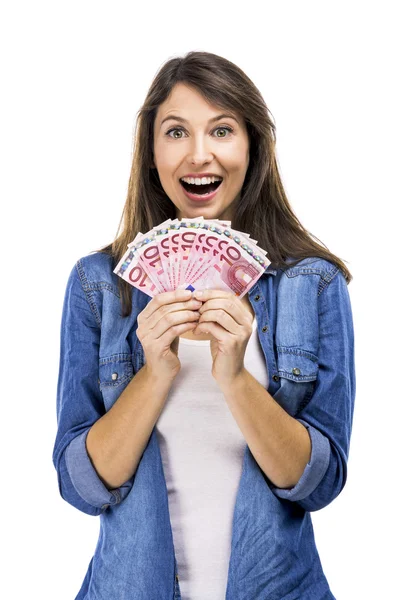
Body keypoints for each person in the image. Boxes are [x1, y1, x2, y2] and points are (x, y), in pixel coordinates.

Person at [52, 51, 356, 600]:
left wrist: (236, 379)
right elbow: (81, 486)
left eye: (222, 130)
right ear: (150, 152)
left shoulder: (312, 286)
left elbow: (320, 482)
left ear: (252, 146)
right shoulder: (98, 285)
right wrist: (155, 373)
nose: (199, 155)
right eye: (175, 132)